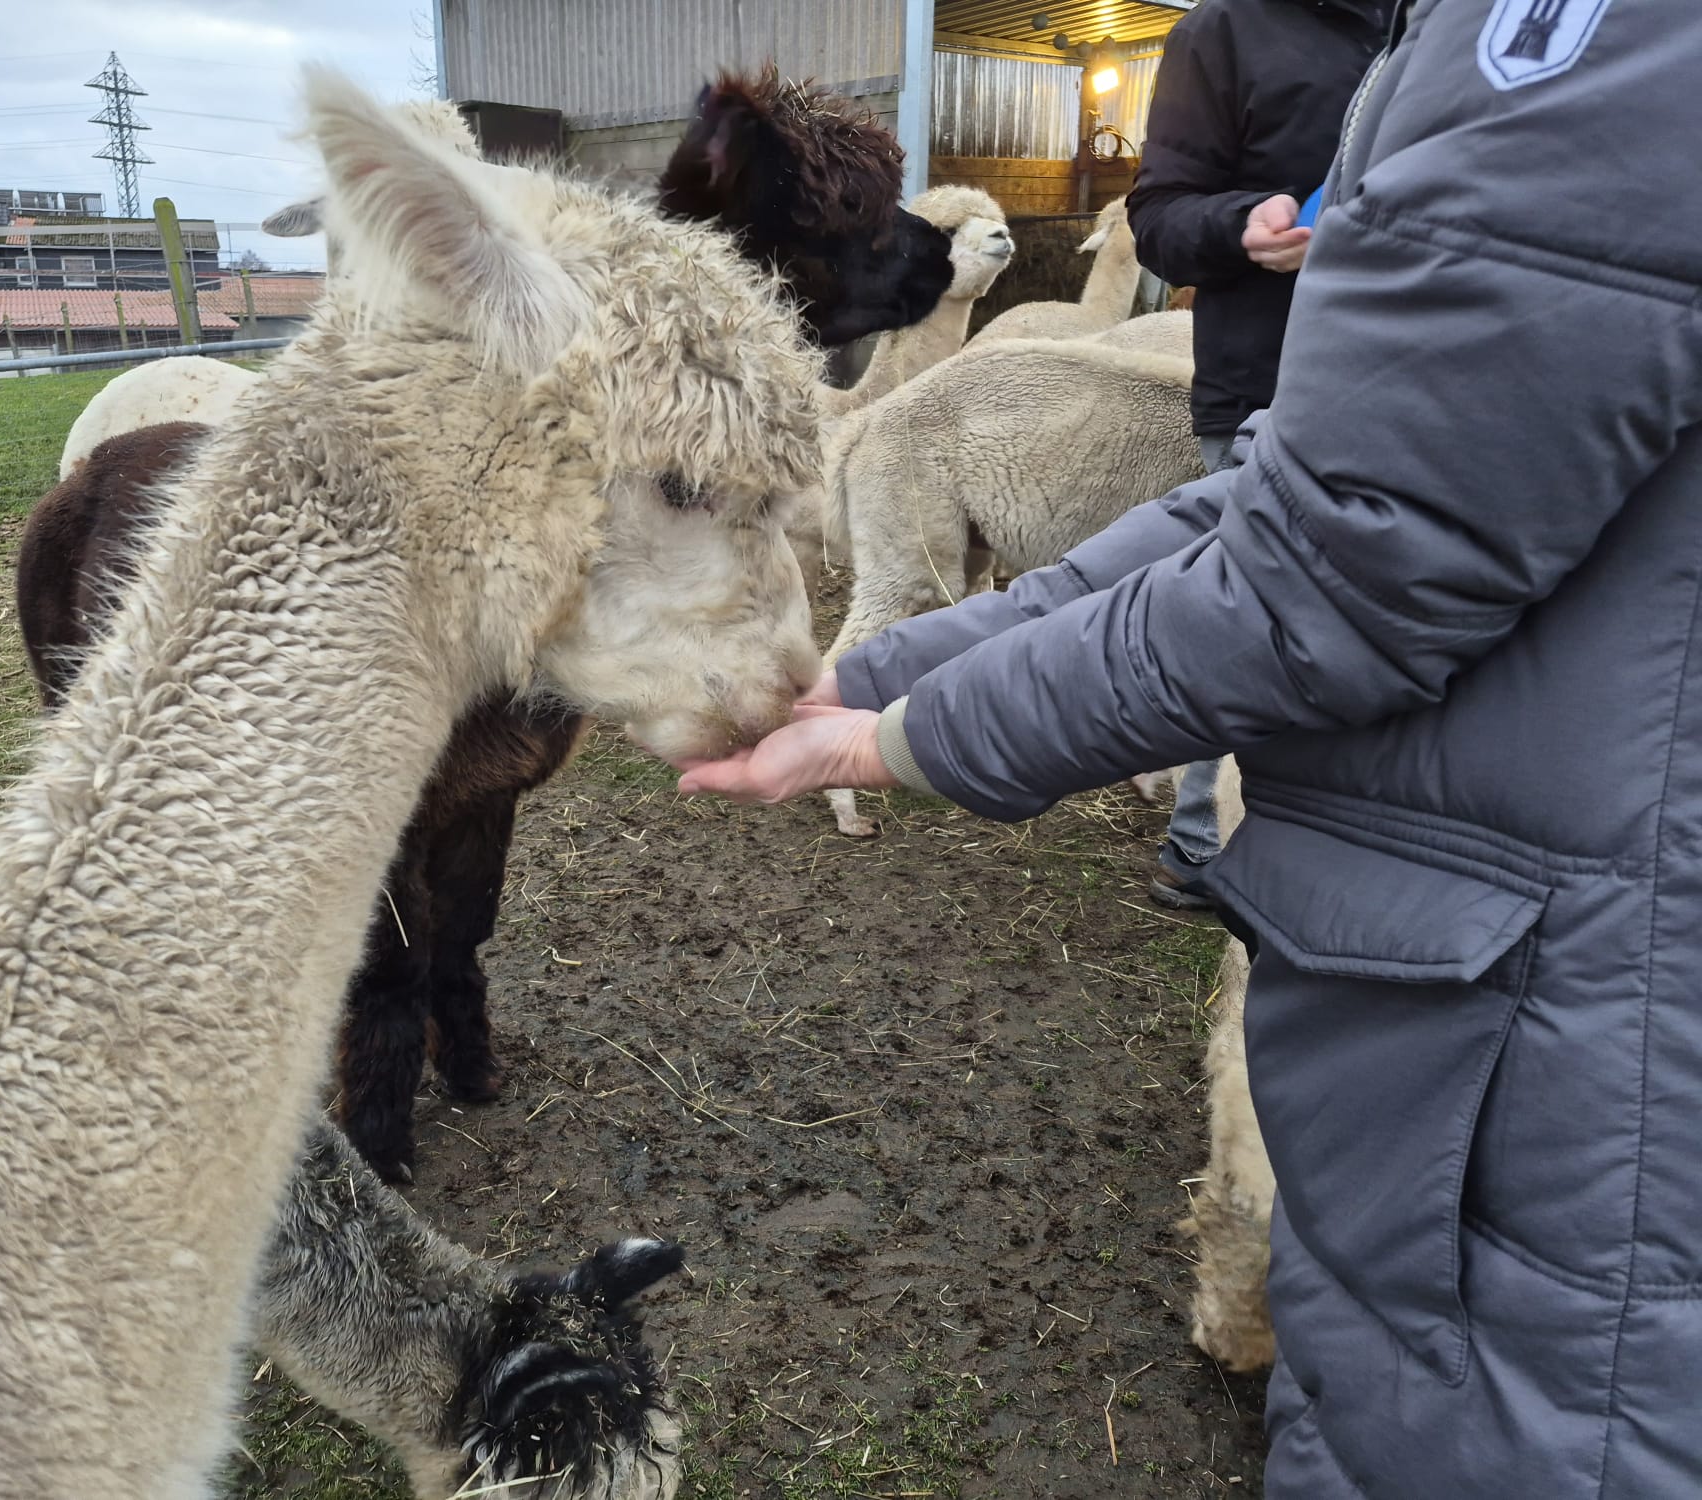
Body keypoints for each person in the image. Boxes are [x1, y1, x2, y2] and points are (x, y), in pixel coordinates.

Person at [679, 4, 1702, 1495]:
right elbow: (1302, 502)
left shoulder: (1579, 42)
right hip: (1521, 947)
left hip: (1578, 1015)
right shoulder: (1450, 41)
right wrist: (886, 673)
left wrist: (896, 738)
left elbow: (1338, 565)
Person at [1126, 0, 1394, 912]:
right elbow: (1157, 216)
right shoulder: (1225, 32)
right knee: (1251, 618)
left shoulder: (1442, 29)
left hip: (1417, 385)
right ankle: (1203, 840)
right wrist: (1243, 225)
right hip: (1272, 386)